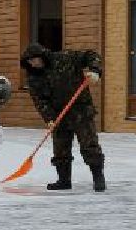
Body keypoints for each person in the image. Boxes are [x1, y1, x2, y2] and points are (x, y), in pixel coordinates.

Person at [19, 42, 106, 192]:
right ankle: (64, 180)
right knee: (60, 149)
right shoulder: (33, 76)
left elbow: (91, 55)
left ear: (43, 56)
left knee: (89, 144)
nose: (33, 64)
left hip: (81, 110)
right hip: (58, 114)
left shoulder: (65, 58)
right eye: (30, 62)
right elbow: (39, 100)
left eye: (35, 60)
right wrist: (49, 118)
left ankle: (98, 178)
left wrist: (95, 71)